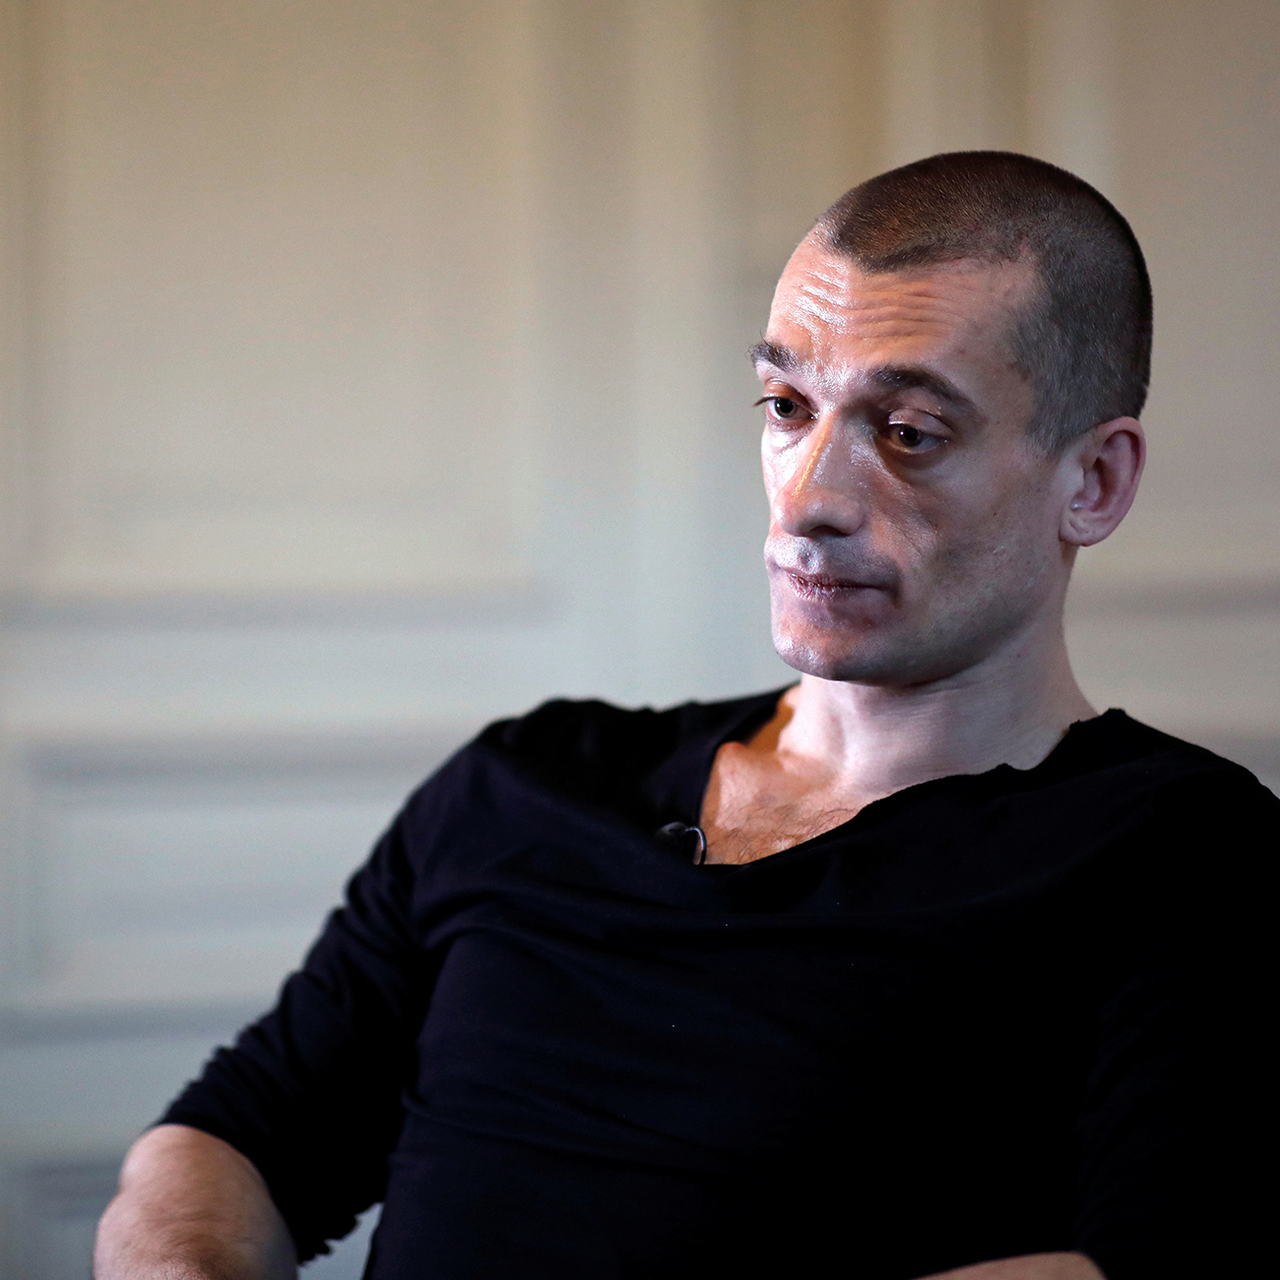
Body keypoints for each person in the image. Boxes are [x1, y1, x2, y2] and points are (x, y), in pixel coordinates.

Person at [94, 151, 1274, 1280]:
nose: (806, 498)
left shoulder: (1181, 856)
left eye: (907, 432)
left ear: (1092, 482)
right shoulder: (526, 780)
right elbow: (233, 1136)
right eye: (785, 405)